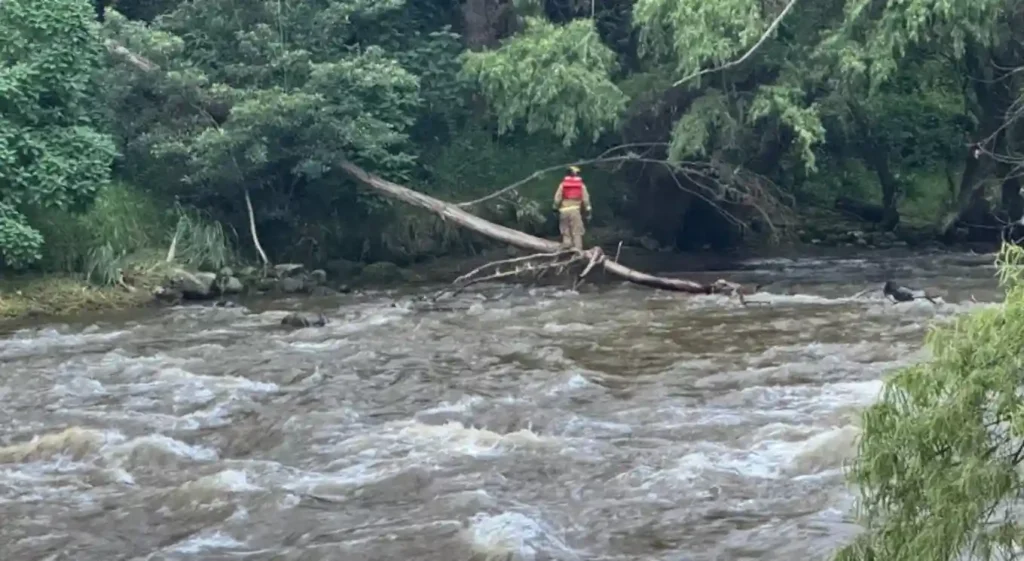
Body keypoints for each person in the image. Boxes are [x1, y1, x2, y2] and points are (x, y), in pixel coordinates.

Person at [553, 166, 591, 250]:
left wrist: (555, 208)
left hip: (564, 211)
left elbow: (557, 199)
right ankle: (578, 252)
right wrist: (588, 211)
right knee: (577, 233)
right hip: (575, 212)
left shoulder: (563, 185)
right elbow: (586, 199)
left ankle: (566, 250)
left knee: (566, 233)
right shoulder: (581, 186)